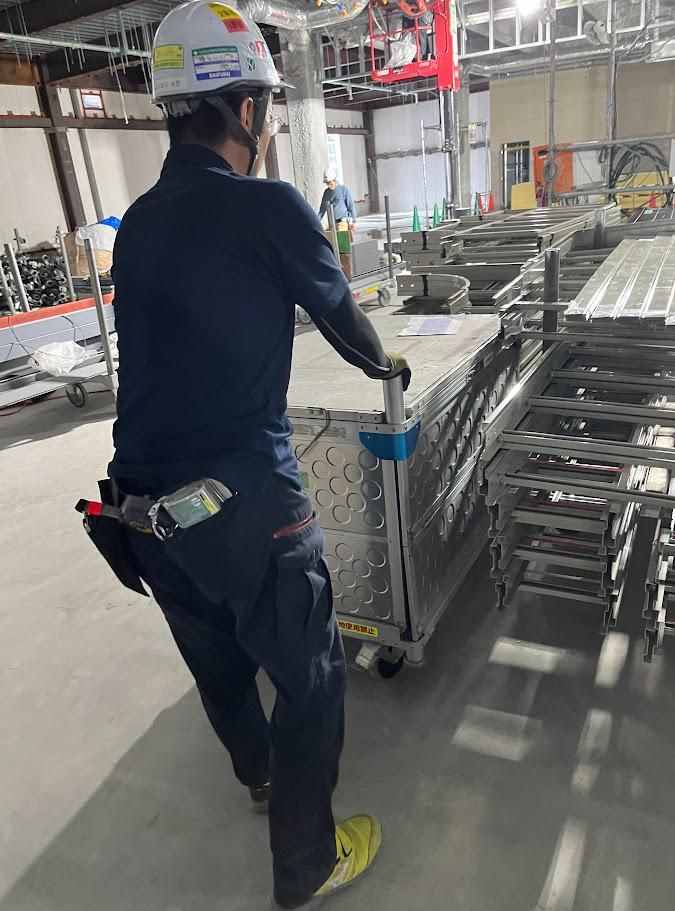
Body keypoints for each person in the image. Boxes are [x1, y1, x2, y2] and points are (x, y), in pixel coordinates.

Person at [91, 2, 410, 910]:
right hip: (242, 505)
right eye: (264, 107)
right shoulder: (267, 205)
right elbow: (343, 319)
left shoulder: (139, 220)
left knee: (219, 657)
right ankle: (307, 864)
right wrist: (386, 364)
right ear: (244, 109)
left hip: (141, 511)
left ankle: (260, 772)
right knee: (310, 673)